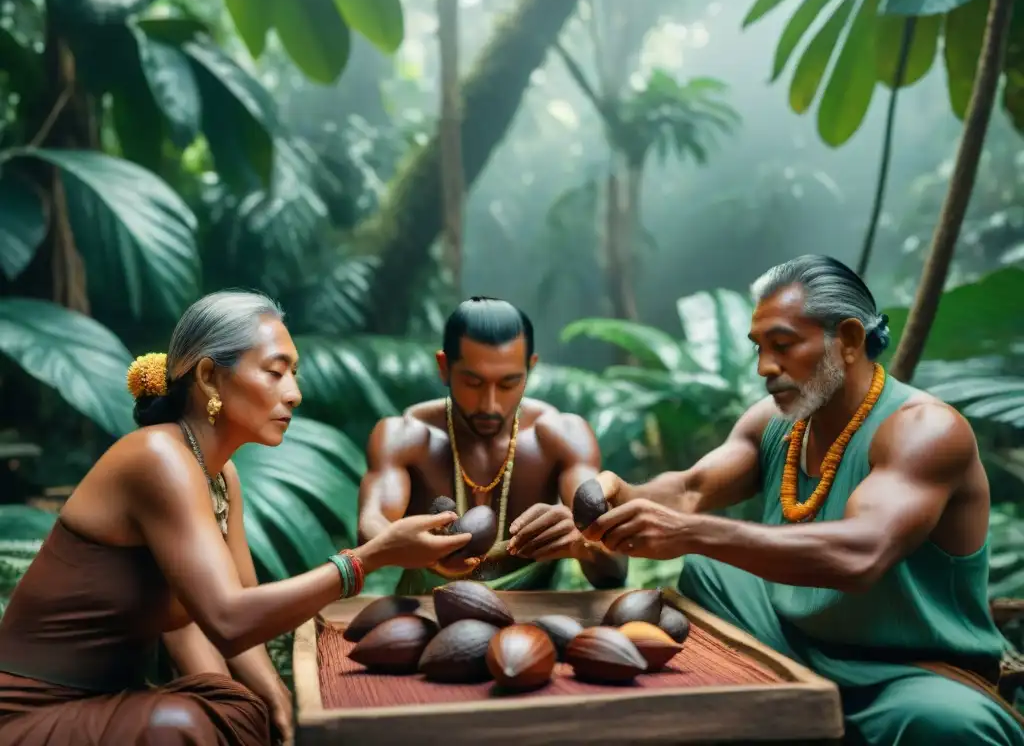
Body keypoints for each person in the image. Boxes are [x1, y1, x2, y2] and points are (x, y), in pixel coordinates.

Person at [579, 255, 1024, 745]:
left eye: (784, 346)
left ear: (849, 341)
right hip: (797, 641)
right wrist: (605, 508)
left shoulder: (925, 429)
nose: (765, 367)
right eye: (760, 348)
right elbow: (690, 490)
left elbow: (860, 554)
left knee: (947, 725)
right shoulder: (776, 421)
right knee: (707, 577)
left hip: (908, 673)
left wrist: (691, 534)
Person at [0, 290, 472, 746]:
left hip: (112, 704)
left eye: (295, 374)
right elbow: (229, 621)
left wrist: (276, 702)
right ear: (209, 376)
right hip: (34, 712)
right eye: (275, 372)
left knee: (243, 714)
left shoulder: (220, 475)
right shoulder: (157, 457)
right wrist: (367, 560)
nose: (295, 394)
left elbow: (225, 616)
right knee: (180, 723)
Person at [358, 296, 627, 595]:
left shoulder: (561, 436)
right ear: (444, 367)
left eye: (509, 383)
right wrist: (411, 546)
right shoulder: (405, 436)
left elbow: (614, 569)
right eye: (473, 383)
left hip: (535, 630)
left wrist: (585, 542)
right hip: (424, 622)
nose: (491, 404)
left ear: (530, 368)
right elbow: (371, 528)